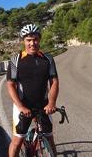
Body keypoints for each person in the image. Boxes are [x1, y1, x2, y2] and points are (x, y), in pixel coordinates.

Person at [6, 23, 59, 156]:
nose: (32, 43)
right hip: (23, 106)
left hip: (43, 105)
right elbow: (10, 85)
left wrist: (51, 103)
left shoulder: (48, 59)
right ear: (23, 41)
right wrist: (20, 107)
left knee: (49, 139)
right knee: (17, 141)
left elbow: (54, 81)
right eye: (28, 40)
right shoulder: (15, 61)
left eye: (35, 39)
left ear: (39, 39)